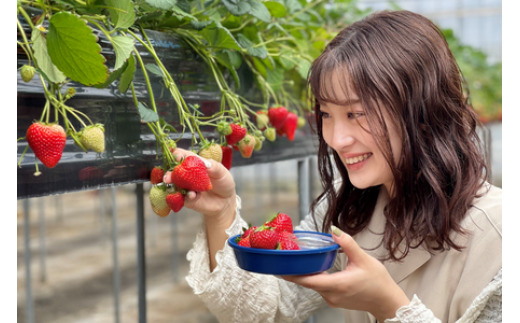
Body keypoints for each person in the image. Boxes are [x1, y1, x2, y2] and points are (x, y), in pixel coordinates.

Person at [164, 10, 502, 323]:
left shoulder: (499, 237)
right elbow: (266, 310)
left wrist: (389, 307)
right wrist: (221, 213)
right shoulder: (350, 207)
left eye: (356, 114)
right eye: (326, 114)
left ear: (423, 113)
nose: (337, 139)